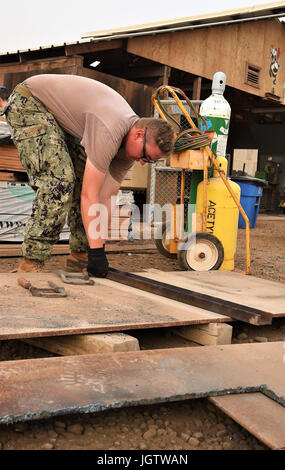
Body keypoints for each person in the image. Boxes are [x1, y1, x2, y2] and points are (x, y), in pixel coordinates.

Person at [0, 74, 174, 277]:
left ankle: (80, 258)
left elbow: (106, 197)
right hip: (31, 102)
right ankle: (32, 262)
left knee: (87, 182)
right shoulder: (110, 130)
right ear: (139, 134)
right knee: (59, 181)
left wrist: (99, 247)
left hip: (58, 118)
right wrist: (97, 252)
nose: (143, 162)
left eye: (150, 161)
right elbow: (89, 196)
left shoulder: (129, 149)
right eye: (146, 156)